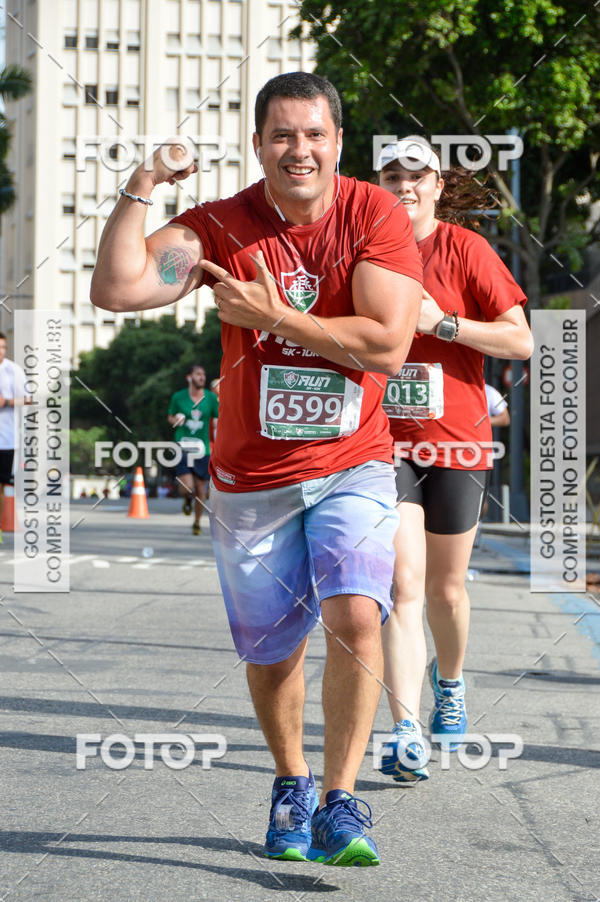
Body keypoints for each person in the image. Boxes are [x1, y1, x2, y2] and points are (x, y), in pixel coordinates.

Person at [90, 72, 422, 866]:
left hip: (354, 462)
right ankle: (292, 783)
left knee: (355, 616)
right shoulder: (219, 226)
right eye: (282, 135)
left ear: (338, 143)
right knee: (273, 648)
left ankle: (343, 801)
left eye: (314, 134)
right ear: (258, 145)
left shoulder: (374, 214)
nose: (298, 150)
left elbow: (387, 344)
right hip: (252, 480)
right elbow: (116, 286)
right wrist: (140, 187)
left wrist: (273, 315)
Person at [374, 137, 533, 783]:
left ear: (438, 185)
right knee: (401, 586)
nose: (404, 186)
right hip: (383, 442)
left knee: (445, 589)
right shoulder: (363, 251)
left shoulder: (466, 250)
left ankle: (452, 680)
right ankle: (404, 730)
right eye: (391, 175)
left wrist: (443, 325)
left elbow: (521, 340)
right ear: (377, 183)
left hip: (457, 441)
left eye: (417, 176)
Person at [167, 364, 219, 534]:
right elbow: (170, 416)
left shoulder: (210, 398)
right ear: (189, 377)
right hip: (182, 445)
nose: (202, 377)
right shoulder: (178, 397)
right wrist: (175, 420)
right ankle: (186, 499)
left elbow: (219, 419)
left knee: (200, 489)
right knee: (187, 488)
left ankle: (197, 522)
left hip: (203, 449)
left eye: (203, 374)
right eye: (198, 374)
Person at [0, 333, 25, 542]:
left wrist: (6, 402)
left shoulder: (13, 371)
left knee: (2, 484)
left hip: (6, 438)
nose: (0, 351)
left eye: (3, 347)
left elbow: (27, 399)